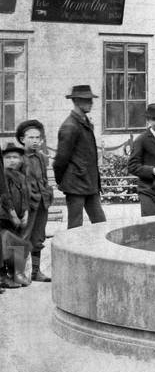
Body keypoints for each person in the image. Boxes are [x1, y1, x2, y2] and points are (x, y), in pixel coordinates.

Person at [54, 85, 107, 229]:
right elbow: (60, 160)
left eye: (91, 99)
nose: (91, 103)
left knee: (101, 223)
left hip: (89, 183)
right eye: (86, 100)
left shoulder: (84, 122)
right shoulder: (70, 126)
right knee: (75, 226)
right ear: (76, 101)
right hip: (76, 184)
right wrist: (62, 181)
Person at [15, 119, 53, 282]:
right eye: (31, 137)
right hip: (26, 205)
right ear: (23, 139)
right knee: (22, 238)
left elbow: (44, 179)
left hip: (42, 203)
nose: (35, 141)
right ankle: (18, 273)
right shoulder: (18, 159)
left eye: (38, 137)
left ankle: (36, 272)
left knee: (38, 238)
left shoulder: (41, 158)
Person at [2, 143, 32, 287]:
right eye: (8, 157)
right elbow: (5, 196)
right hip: (6, 216)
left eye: (15, 157)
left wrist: (25, 212)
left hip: (20, 217)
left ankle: (17, 274)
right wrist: (12, 213)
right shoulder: (3, 176)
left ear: (20, 159)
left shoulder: (21, 176)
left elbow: (26, 196)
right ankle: (5, 275)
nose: (12, 160)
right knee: (5, 244)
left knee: (18, 243)